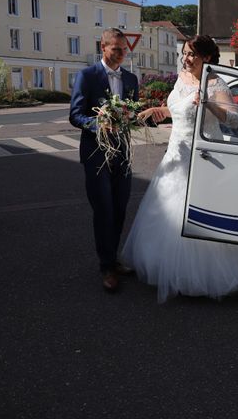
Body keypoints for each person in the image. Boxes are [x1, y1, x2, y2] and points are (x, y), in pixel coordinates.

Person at [122, 35, 238, 302]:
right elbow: (180, 109)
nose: (186, 58)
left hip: (200, 156)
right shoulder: (181, 78)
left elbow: (236, 120)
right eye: (184, 53)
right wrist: (159, 109)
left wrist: (209, 103)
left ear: (206, 57)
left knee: (194, 213)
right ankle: (166, 268)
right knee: (166, 210)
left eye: (192, 54)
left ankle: (198, 275)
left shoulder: (216, 83)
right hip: (174, 155)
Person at [69, 28, 139, 291]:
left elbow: (134, 110)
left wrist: (131, 117)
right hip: (96, 154)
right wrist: (99, 124)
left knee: (120, 208)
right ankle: (107, 266)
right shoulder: (87, 76)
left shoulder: (131, 79)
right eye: (116, 49)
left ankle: (114, 258)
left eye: (124, 50)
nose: (121, 54)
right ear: (103, 47)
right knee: (104, 210)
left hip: (122, 152)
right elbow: (75, 115)